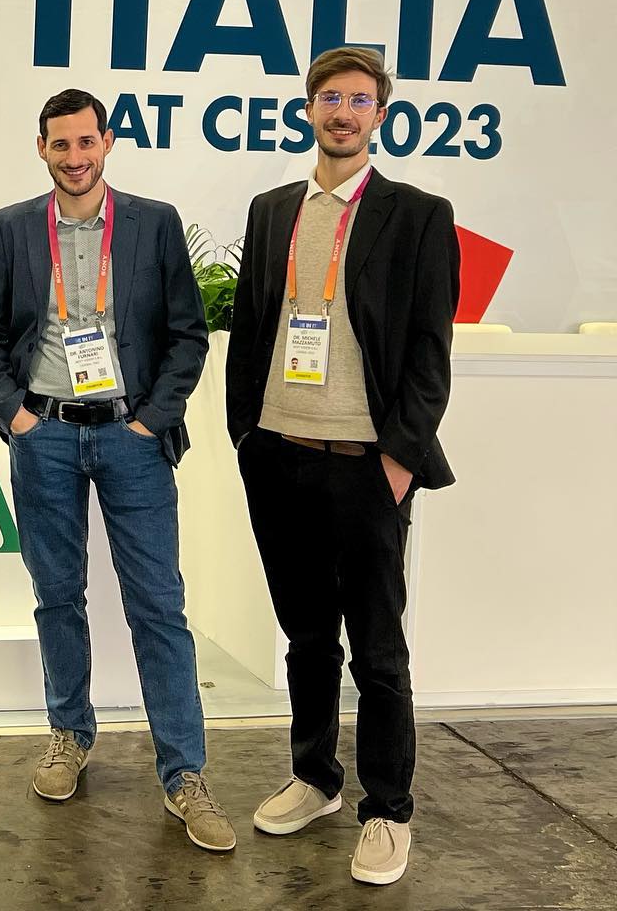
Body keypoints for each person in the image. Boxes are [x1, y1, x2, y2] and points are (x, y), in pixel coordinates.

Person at [0, 88, 234, 853]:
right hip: (45, 435)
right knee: (57, 596)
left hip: (132, 439)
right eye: (61, 144)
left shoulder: (153, 222)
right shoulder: (13, 227)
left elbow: (187, 334)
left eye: (87, 142)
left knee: (159, 606)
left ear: (107, 142)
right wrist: (15, 415)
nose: (75, 157)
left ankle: (185, 774)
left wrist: (153, 419)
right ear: (42, 149)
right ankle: (69, 735)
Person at [226, 46, 460, 885]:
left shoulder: (418, 215)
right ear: (309, 110)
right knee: (306, 639)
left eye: (359, 100)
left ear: (379, 116)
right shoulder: (272, 210)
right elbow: (253, 326)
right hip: (279, 456)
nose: (343, 113)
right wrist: (247, 436)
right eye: (330, 98)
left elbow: (431, 353)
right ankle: (316, 777)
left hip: (367, 467)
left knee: (379, 651)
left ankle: (388, 809)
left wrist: (397, 462)